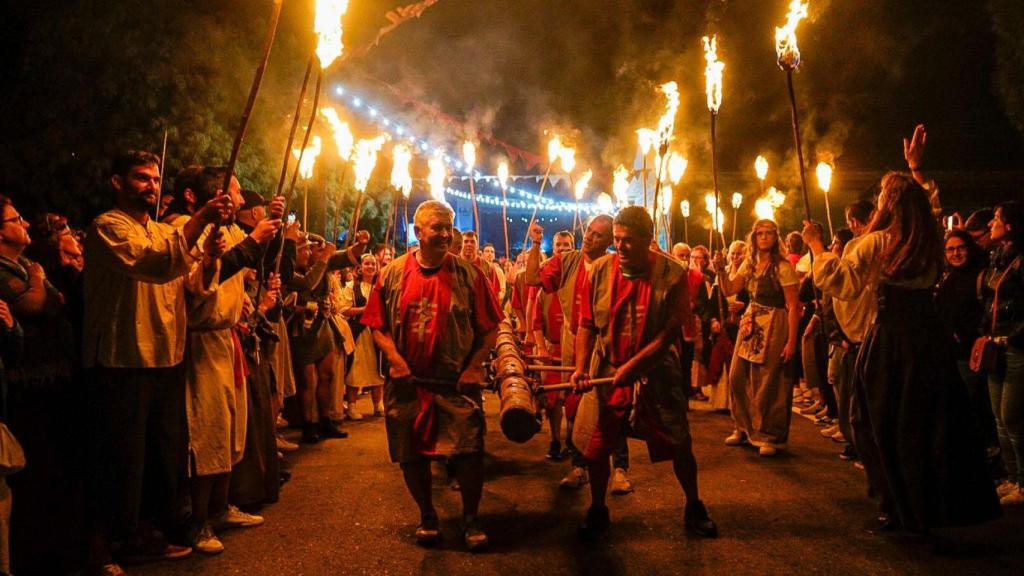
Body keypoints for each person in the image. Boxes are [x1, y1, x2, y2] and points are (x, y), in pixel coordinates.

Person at [803, 123, 1000, 532]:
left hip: (890, 344)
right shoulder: (928, 240)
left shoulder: (877, 244)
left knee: (876, 425)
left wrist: (817, 246)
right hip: (929, 343)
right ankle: (933, 504)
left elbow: (841, 282)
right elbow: (932, 208)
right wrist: (918, 170)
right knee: (930, 425)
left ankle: (895, 503)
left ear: (887, 205)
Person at [82, 151, 233, 573]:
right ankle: (107, 544)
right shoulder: (108, 227)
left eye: (154, 178)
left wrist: (209, 259)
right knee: (121, 459)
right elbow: (154, 263)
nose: (150, 185)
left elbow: (195, 289)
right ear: (117, 182)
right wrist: (201, 220)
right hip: (122, 357)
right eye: (140, 178)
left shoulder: (166, 232)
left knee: (160, 456)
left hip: (166, 355)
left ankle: (147, 531)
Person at [569, 205, 716, 540]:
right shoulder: (599, 272)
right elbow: (587, 325)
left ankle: (694, 505)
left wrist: (635, 365)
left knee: (679, 441)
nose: (620, 247)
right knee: (597, 444)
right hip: (607, 367)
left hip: (657, 371)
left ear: (648, 241)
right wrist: (580, 368)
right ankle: (597, 508)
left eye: (628, 241)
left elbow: (670, 331)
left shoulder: (673, 273)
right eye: (617, 240)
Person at [363, 200, 501, 551]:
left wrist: (472, 368)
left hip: (455, 383)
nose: (444, 234)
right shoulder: (392, 273)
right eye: (436, 227)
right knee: (412, 454)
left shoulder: (470, 274)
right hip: (408, 385)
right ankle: (427, 514)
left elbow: (490, 329)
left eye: (448, 228)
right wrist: (395, 359)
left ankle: (471, 518)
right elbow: (376, 325)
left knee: (469, 453)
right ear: (418, 232)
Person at [524, 215, 616, 490]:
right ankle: (578, 466)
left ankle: (620, 467)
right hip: (573, 338)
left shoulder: (615, 266)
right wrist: (535, 243)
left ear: (609, 242)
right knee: (573, 402)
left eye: (597, 235)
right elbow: (531, 278)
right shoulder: (567, 261)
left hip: (604, 344)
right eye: (588, 230)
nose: (589, 237)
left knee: (610, 406)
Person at [715, 219, 800, 457]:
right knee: (737, 376)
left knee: (767, 381)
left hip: (775, 322)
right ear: (754, 237)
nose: (763, 237)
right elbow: (729, 290)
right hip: (751, 321)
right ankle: (743, 427)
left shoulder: (782, 267)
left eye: (768, 234)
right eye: (759, 233)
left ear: (775, 237)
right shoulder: (749, 264)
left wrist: (791, 341)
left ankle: (768, 435)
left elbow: (794, 306)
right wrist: (721, 268)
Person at [934, 229, 997, 458]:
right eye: (950, 249)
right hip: (949, 354)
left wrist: (964, 334)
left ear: (969, 248)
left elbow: (986, 313)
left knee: (972, 406)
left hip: (970, 354)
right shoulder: (947, 277)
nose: (955, 253)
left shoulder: (980, 276)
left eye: (960, 248)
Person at [981, 201, 1024, 506]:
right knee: (998, 417)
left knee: (1013, 417)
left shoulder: (1021, 262)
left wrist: (1015, 337)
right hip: (994, 345)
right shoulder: (996, 258)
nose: (990, 223)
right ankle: (1012, 478)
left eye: (996, 219)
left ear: (1011, 226)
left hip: (1016, 347)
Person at [532, 230, 574, 462]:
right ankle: (556, 440)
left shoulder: (582, 279)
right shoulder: (545, 287)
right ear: (554, 248)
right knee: (554, 401)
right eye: (559, 245)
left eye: (567, 245)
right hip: (552, 350)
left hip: (575, 351)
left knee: (573, 400)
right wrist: (541, 348)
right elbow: (536, 322)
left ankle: (572, 441)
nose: (563, 248)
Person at [341, 254, 385, 420]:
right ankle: (352, 406)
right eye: (367, 263)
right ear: (360, 267)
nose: (370, 267)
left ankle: (378, 404)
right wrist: (364, 309)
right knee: (355, 369)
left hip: (376, 332)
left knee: (377, 368)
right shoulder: (352, 286)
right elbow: (343, 309)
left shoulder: (381, 286)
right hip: (358, 333)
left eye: (373, 264)